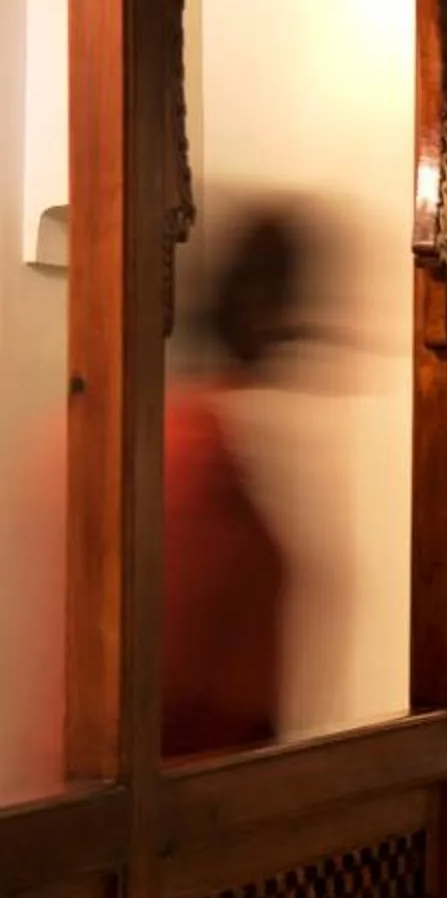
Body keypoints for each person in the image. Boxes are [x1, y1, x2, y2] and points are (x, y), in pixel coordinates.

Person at [160, 206, 317, 760]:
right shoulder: (189, 447)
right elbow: (174, 665)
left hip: (236, 767)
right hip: (194, 781)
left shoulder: (217, 434)